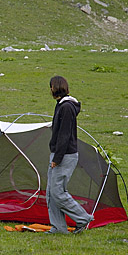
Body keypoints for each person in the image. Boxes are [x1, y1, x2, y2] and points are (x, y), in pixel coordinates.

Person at [45, 75, 95, 234]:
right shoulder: (61, 105)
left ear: (56, 87)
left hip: (64, 156)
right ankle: (58, 227)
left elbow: (64, 135)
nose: (50, 89)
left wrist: (57, 158)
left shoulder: (66, 107)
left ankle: (82, 218)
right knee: (51, 193)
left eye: (51, 86)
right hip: (59, 154)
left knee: (58, 192)